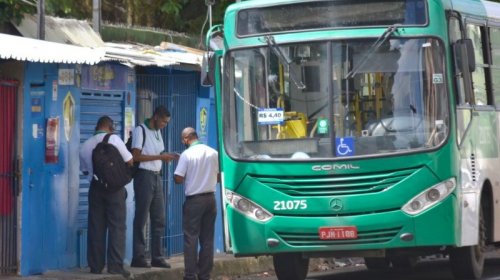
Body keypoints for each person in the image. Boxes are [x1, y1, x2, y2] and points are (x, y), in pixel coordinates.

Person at [79, 116, 132, 277]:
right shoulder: (114, 139)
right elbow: (129, 160)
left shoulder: (85, 145)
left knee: (96, 227)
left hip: (95, 189)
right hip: (115, 190)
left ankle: (95, 266)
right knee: (117, 227)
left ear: (97, 127)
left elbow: (85, 171)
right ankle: (115, 266)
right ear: (110, 127)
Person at [130, 105, 179, 268]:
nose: (165, 125)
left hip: (157, 177)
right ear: (156, 117)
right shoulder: (140, 130)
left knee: (159, 219)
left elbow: (160, 152)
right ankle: (138, 256)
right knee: (142, 218)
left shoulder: (158, 132)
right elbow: (135, 156)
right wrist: (159, 156)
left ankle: (157, 256)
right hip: (144, 177)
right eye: (164, 122)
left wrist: (169, 156)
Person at [174, 127, 219, 280]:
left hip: (194, 201)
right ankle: (205, 275)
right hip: (211, 199)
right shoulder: (213, 153)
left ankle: (190, 275)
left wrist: (191, 176)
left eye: (183, 140)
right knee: (207, 240)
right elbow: (218, 177)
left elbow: (178, 178)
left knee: (191, 238)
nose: (183, 142)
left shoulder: (186, 155)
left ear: (187, 138)